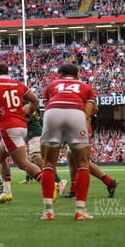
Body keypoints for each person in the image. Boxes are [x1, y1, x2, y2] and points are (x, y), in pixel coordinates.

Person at [0, 62, 42, 203]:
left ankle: (49, 183)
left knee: (23, 163)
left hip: (9, 127)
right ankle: (6, 191)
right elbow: (35, 101)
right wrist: (27, 116)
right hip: (22, 125)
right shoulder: (18, 84)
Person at [39, 63, 97, 220]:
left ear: (60, 75)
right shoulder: (85, 86)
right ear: (77, 74)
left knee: (48, 164)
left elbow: (46, 106)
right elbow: (90, 108)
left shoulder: (51, 85)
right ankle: (80, 211)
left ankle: (48, 212)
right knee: (83, 164)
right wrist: (82, 124)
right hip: (76, 113)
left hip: (52, 112)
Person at [63, 103, 118, 199]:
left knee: (83, 162)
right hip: (75, 129)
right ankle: (73, 190)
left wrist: (85, 119)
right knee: (71, 158)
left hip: (80, 130)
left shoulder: (82, 93)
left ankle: (109, 182)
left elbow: (95, 108)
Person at [19, 104, 68, 196]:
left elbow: (30, 114)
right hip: (35, 134)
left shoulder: (25, 105)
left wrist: (22, 120)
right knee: (37, 160)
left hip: (35, 134)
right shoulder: (29, 106)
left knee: (37, 159)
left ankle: (59, 181)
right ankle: (30, 179)